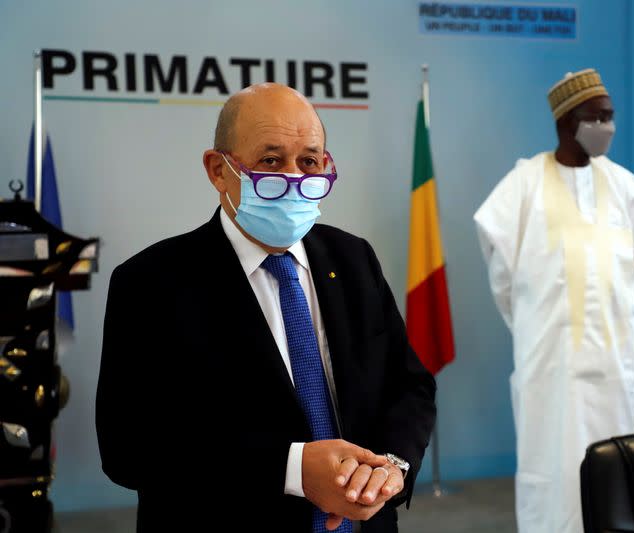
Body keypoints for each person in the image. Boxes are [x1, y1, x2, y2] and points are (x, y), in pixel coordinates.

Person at [96, 83, 436, 533]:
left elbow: (408, 385)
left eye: (309, 161)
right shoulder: (151, 282)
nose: (294, 177)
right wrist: (291, 467)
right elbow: (129, 447)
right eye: (271, 161)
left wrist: (391, 467)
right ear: (218, 171)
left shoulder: (354, 259)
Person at [473, 68, 634, 533]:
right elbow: (502, 275)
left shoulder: (622, 185)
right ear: (565, 123)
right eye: (596, 117)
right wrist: (535, 327)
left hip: (614, 361)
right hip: (551, 363)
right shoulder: (523, 185)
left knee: (617, 458)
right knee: (554, 466)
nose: (607, 127)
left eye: (610, 116)